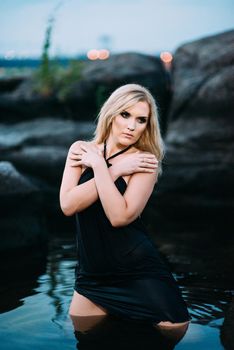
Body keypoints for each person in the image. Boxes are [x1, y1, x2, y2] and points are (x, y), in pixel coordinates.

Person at [59, 83, 191, 342]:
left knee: (177, 331)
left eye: (141, 120)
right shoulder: (80, 150)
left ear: (147, 125)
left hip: (137, 270)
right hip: (92, 274)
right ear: (111, 113)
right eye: (125, 115)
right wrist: (112, 169)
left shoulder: (145, 161)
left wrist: (100, 167)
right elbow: (68, 205)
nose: (132, 125)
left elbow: (120, 217)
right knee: (80, 337)